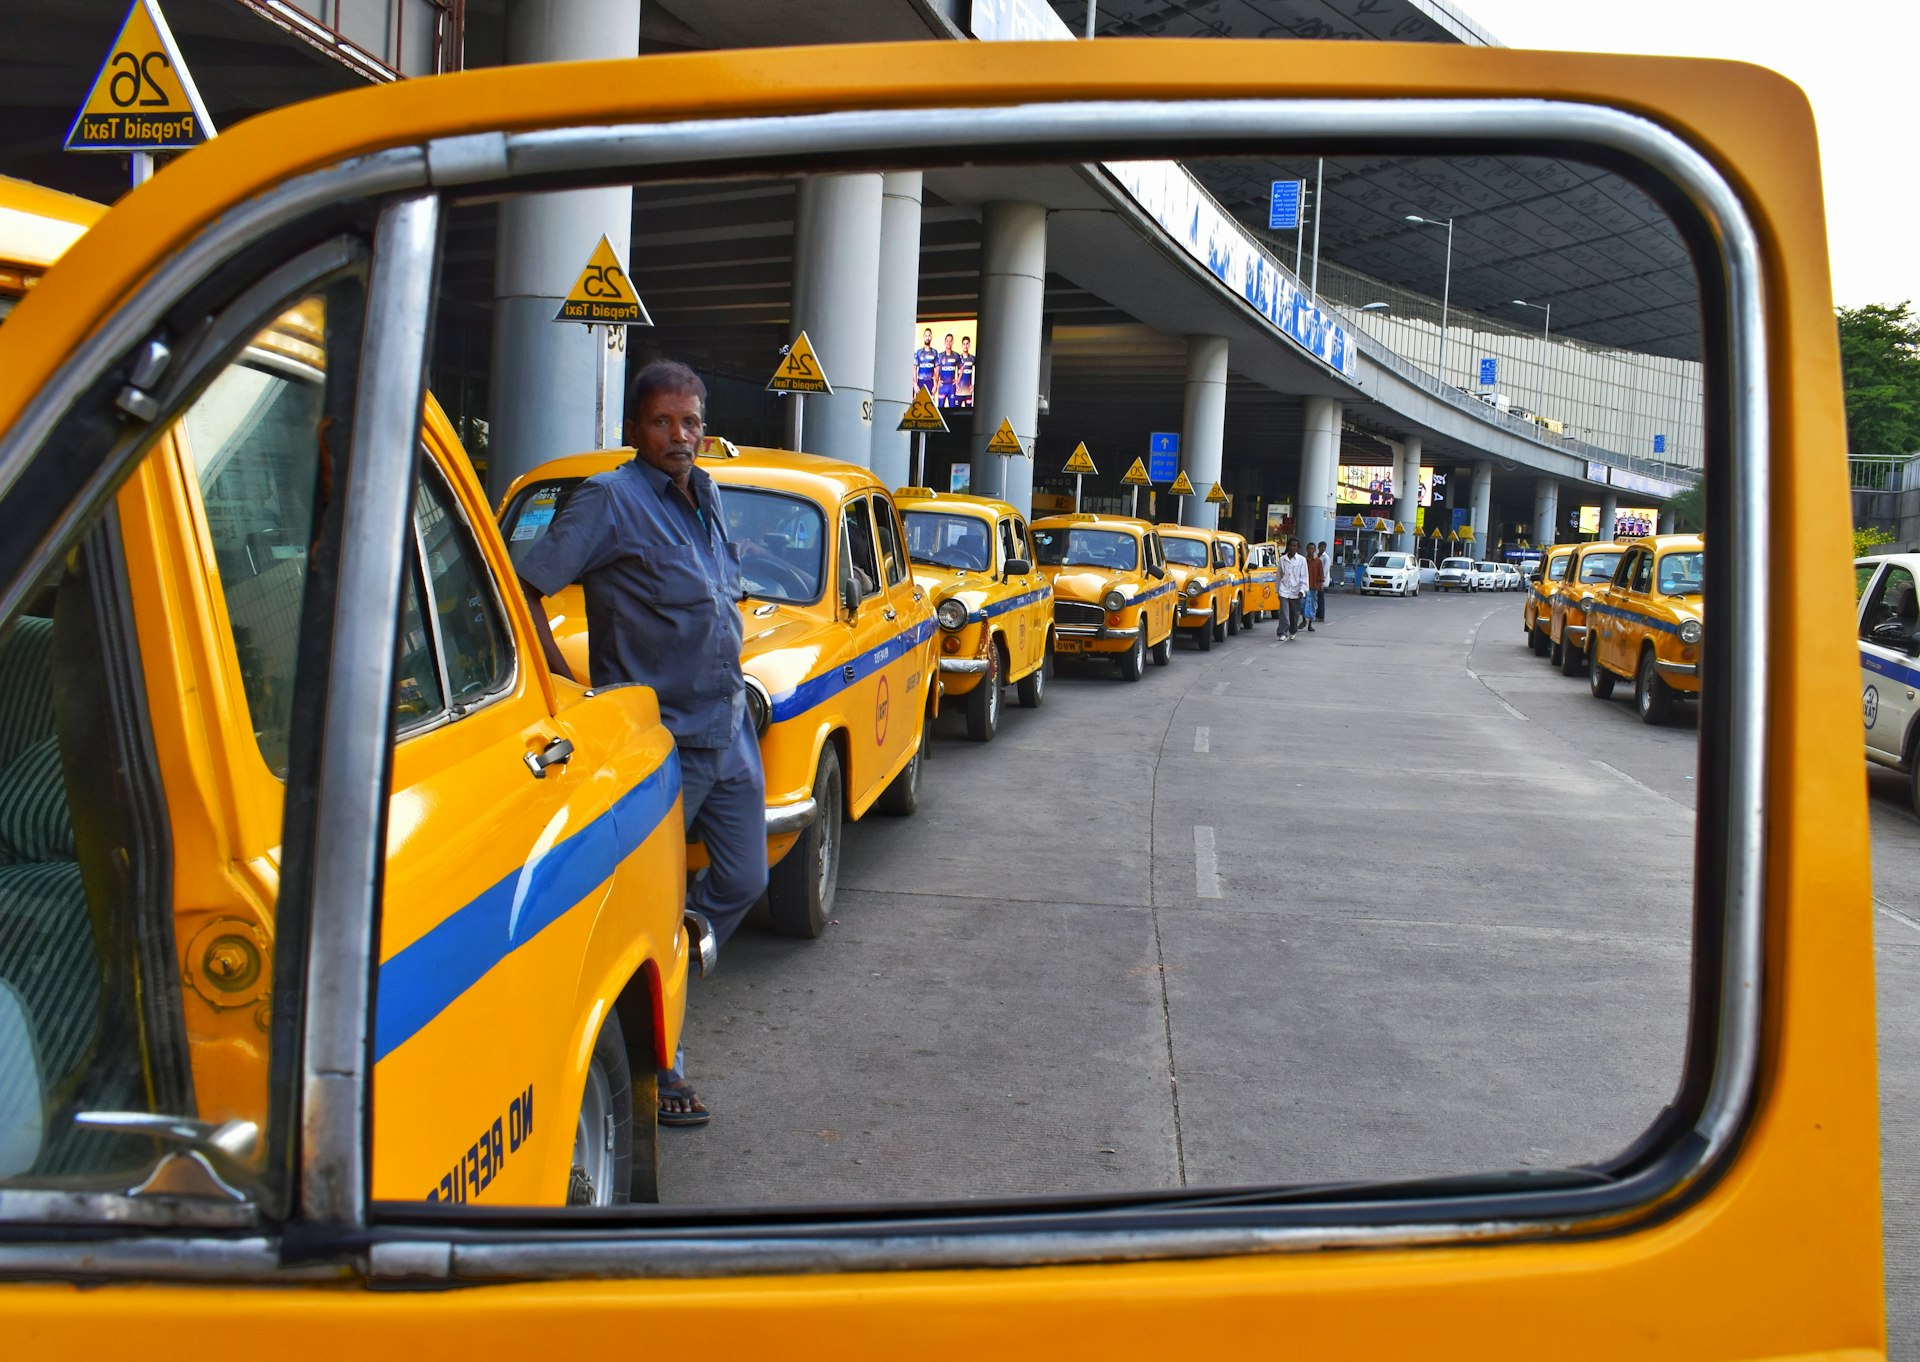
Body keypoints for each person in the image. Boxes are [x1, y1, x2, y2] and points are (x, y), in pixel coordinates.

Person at [517, 359, 766, 1129]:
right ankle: (666, 1067)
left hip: (728, 730)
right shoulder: (609, 502)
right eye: (663, 422)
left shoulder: (708, 491)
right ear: (634, 429)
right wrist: (567, 692)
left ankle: (676, 954)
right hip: (664, 744)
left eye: (690, 422)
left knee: (745, 878)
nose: (679, 436)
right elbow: (525, 587)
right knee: (650, 908)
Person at [1275, 536, 1308, 640]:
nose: (1292, 547)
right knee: (1284, 613)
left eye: (1294, 546)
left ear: (1298, 548)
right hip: (1284, 590)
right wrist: (1277, 590)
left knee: (1294, 614)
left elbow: (1304, 576)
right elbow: (1279, 575)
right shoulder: (1282, 559)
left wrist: (1302, 590)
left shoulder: (1302, 560)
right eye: (1290, 545)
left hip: (1296, 591)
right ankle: (1282, 632)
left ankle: (1293, 630)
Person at [934, 332, 960, 406]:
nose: (949, 343)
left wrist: (957, 379)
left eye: (950, 341)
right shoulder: (940, 356)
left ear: (952, 342)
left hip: (951, 386)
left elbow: (961, 367)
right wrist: (937, 381)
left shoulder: (956, 355)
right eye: (947, 341)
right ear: (945, 342)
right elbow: (936, 370)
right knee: (940, 408)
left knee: (952, 409)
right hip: (942, 386)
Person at [1304, 541, 1324, 631]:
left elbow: (1321, 574)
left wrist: (1320, 584)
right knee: (1303, 604)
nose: (1310, 550)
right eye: (1309, 549)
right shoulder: (1303, 560)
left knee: (1312, 605)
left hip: (1313, 586)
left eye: (1312, 549)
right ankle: (1304, 620)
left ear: (1315, 550)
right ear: (1306, 550)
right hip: (1304, 586)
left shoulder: (1318, 562)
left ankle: (1310, 624)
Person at [914, 328, 937, 393]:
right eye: (926, 336)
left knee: (930, 403)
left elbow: (936, 370)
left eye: (929, 335)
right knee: (920, 402)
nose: (927, 338)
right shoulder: (919, 352)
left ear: (931, 337)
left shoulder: (934, 352)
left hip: (930, 382)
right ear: (923, 337)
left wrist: (935, 385)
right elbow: (914, 368)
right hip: (920, 381)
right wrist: (915, 384)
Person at [955, 335, 976, 408]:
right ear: (961, 345)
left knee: (968, 412)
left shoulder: (972, 358)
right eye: (964, 344)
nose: (965, 346)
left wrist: (974, 385)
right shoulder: (958, 358)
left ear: (969, 345)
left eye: (967, 344)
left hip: (968, 391)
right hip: (958, 391)